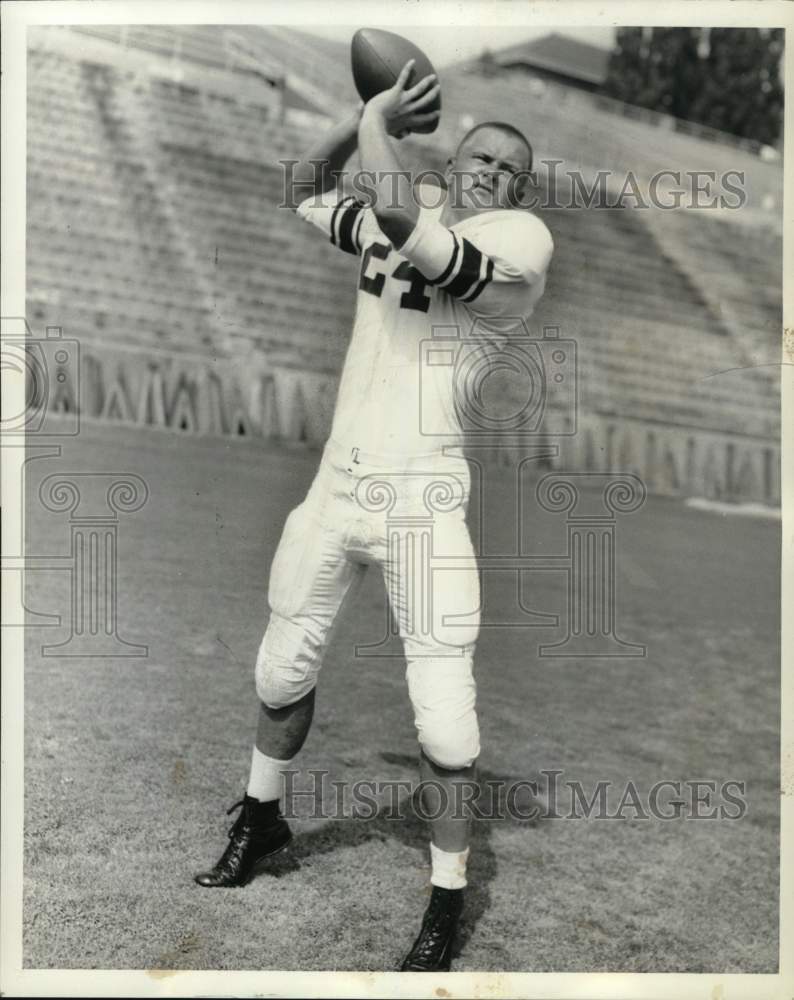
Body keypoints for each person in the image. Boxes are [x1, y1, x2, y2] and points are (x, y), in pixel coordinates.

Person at [195, 61, 554, 973]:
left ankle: (445, 898)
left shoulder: (520, 244)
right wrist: (361, 120)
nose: (488, 174)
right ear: (454, 155)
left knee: (443, 726)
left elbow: (402, 221)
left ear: (520, 190)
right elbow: (303, 187)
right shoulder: (418, 202)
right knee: (281, 669)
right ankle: (262, 817)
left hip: (423, 502)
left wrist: (379, 122)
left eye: (506, 169)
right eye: (477, 156)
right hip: (337, 485)